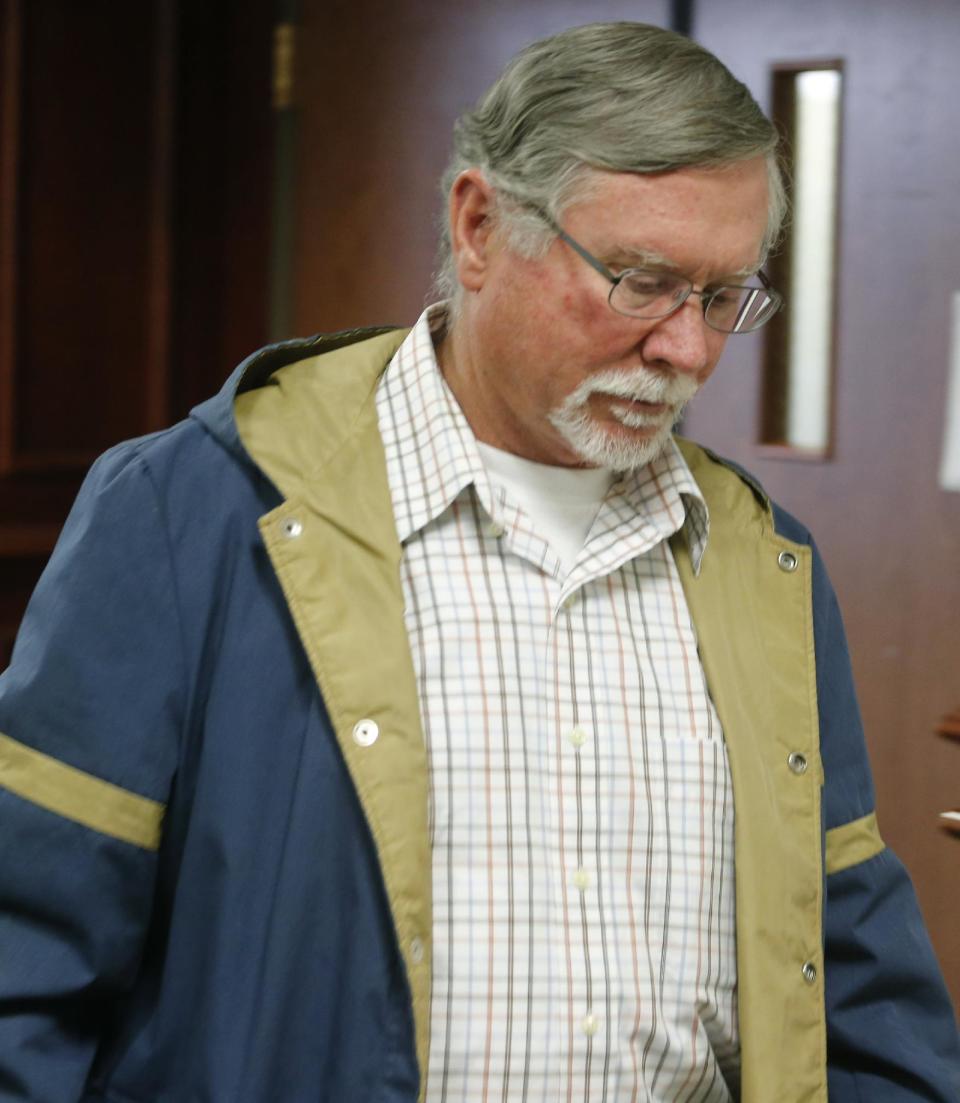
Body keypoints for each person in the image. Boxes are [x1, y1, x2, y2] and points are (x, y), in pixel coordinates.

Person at [0, 21, 956, 1103]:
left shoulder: (763, 564)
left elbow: (859, 993)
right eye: (641, 281)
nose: (687, 350)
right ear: (479, 226)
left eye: (723, 295)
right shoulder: (194, 513)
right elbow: (23, 966)